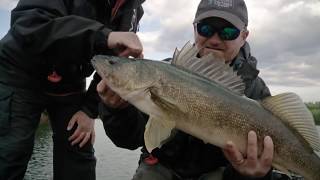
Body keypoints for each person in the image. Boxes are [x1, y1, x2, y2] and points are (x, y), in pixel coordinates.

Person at [0, 0, 144, 179]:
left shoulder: (134, 10)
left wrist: (89, 111)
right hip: (19, 75)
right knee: (9, 154)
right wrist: (104, 36)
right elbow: (29, 25)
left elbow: (110, 65)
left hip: (70, 86)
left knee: (78, 157)